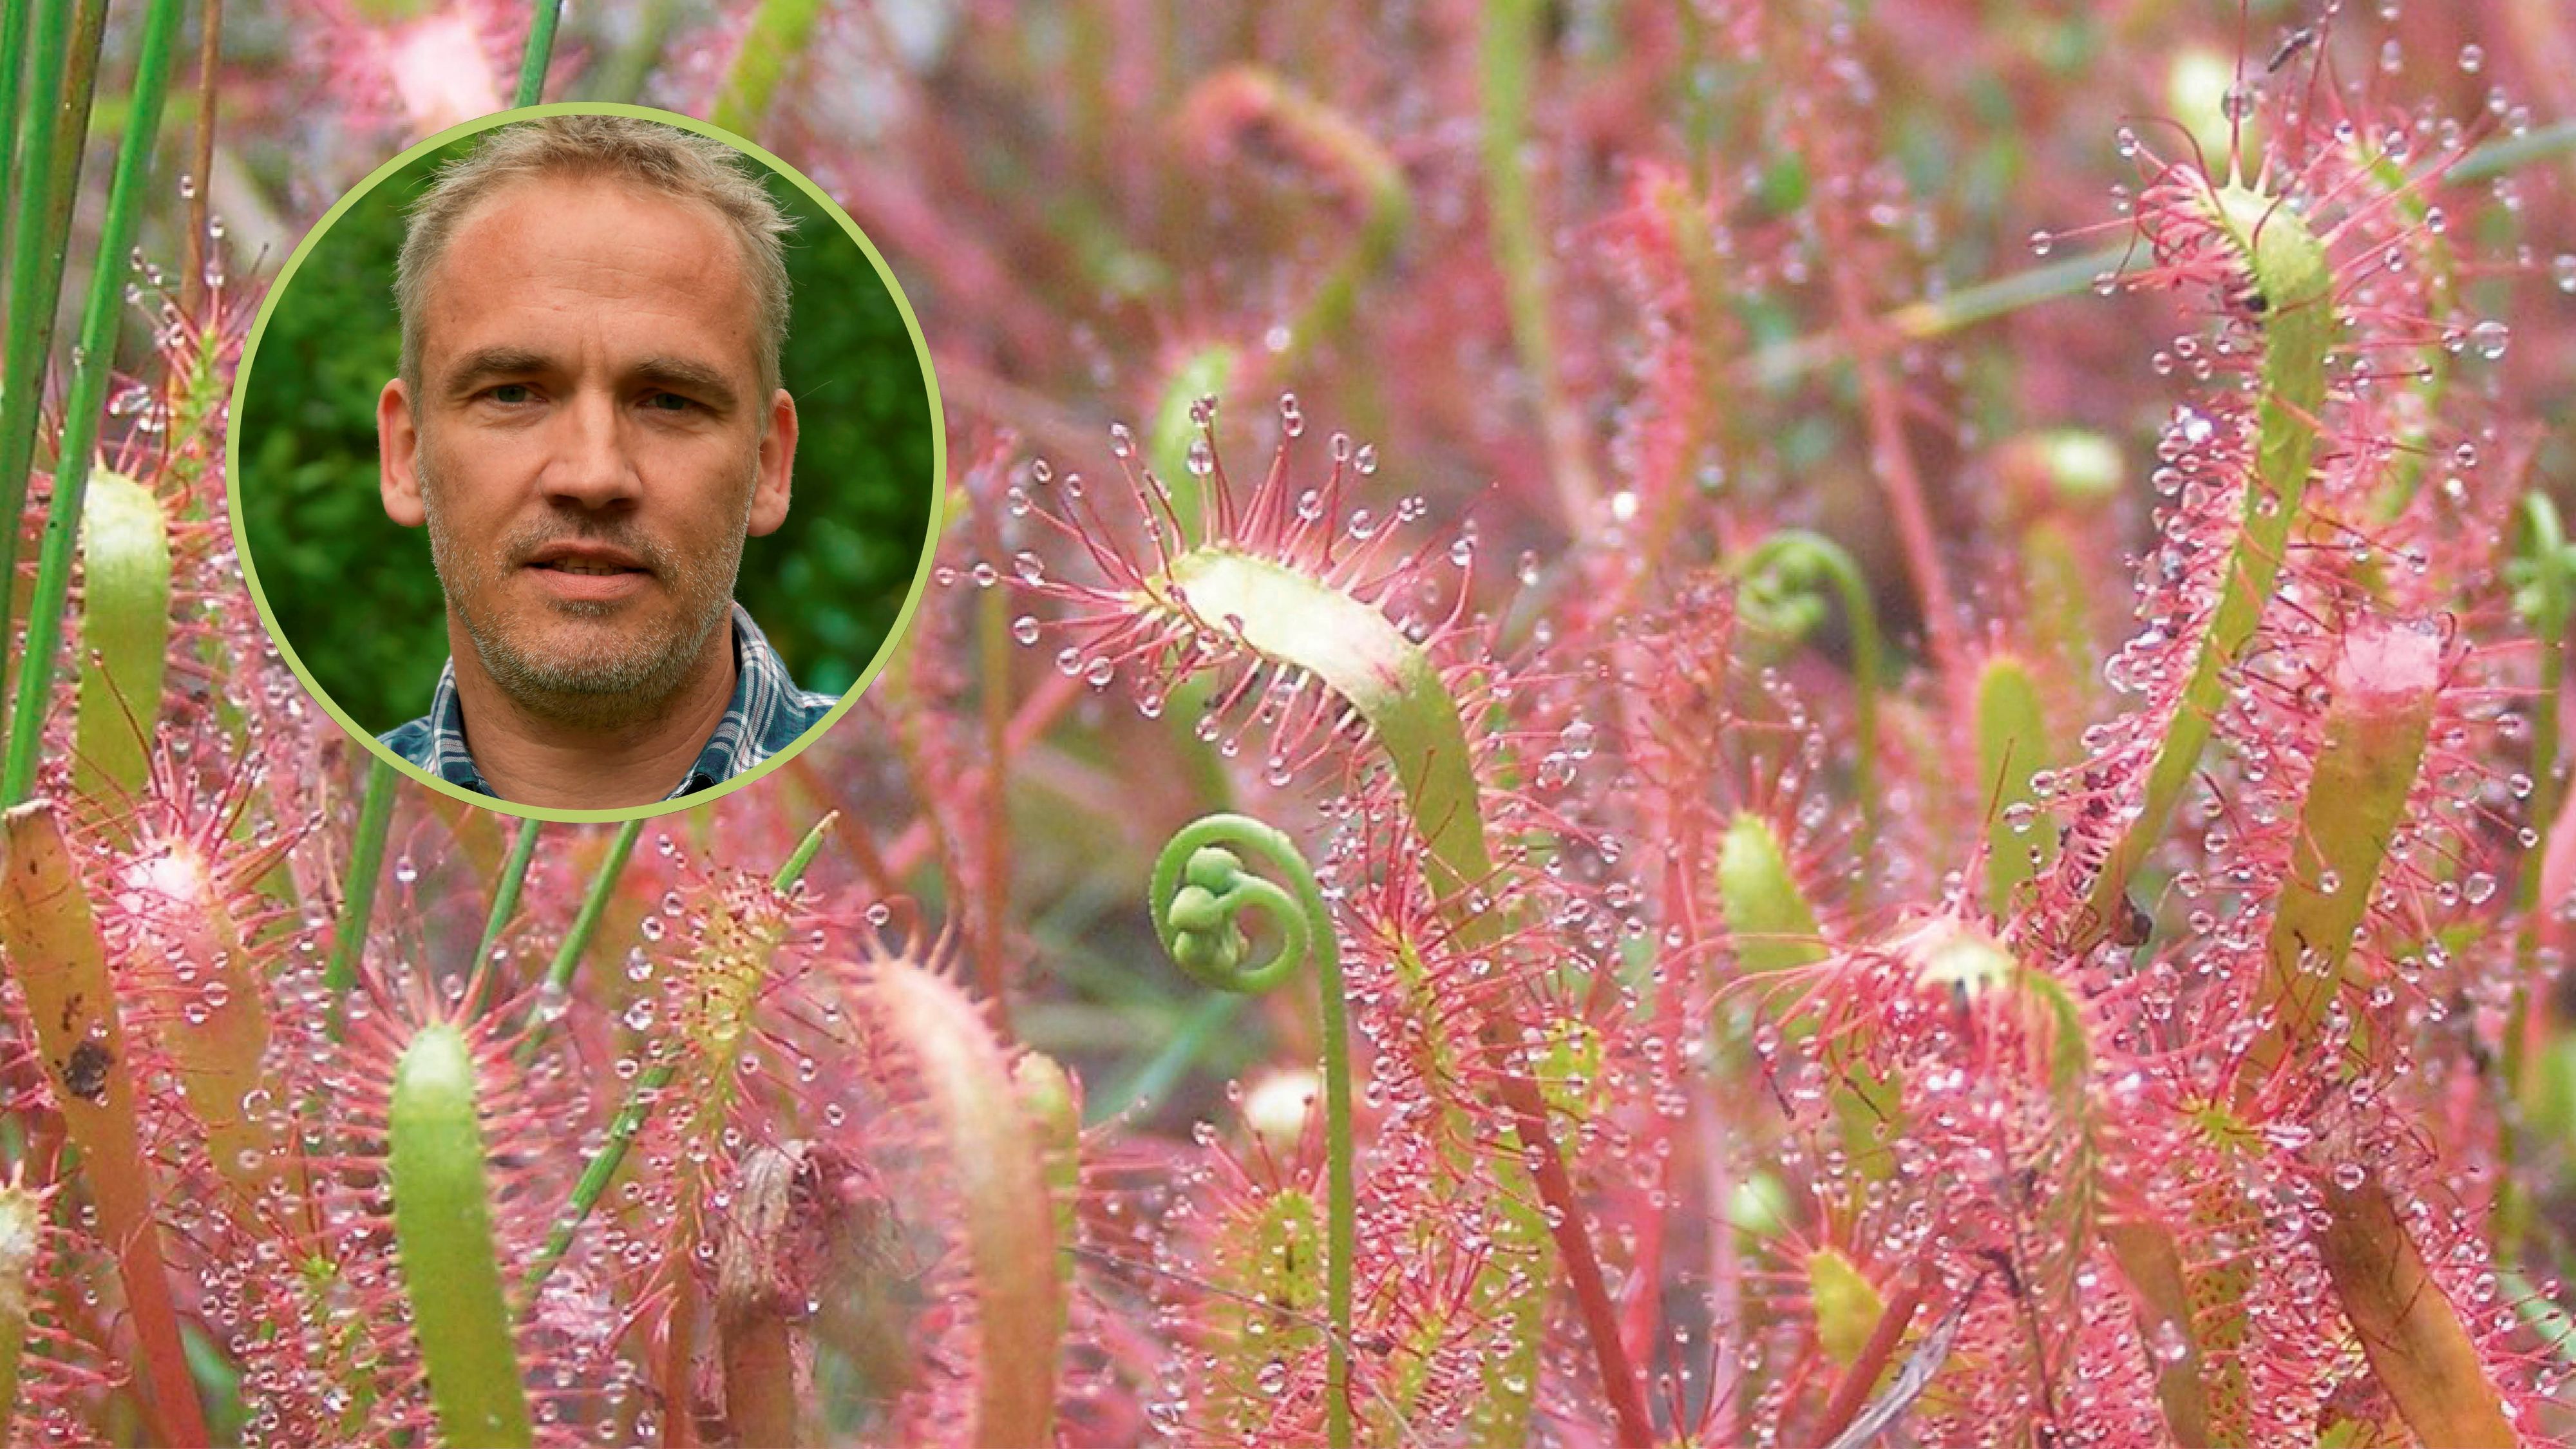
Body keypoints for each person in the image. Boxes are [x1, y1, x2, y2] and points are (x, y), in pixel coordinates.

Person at [374, 114, 837, 808]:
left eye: (670, 402)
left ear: (770, 466)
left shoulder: (893, 817)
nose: (593, 476)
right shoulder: (317, 841)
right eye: (512, 394)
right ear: (405, 454)